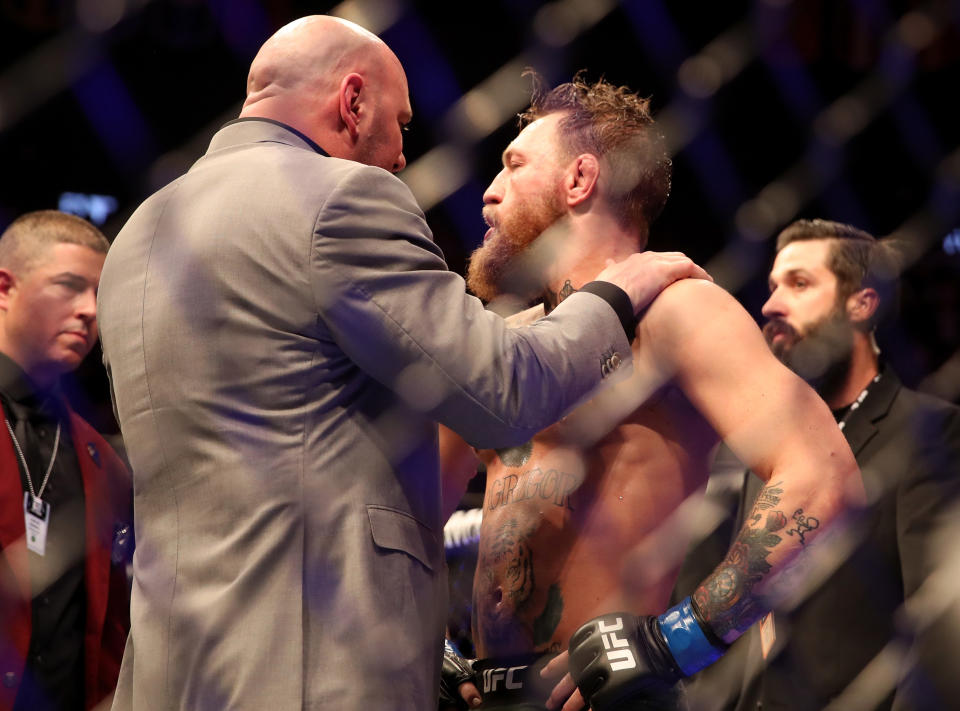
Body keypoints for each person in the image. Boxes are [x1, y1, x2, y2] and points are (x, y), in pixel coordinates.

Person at [95, 16, 709, 711]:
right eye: (400, 125)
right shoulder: (337, 198)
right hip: (310, 664)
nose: (397, 158)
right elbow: (501, 388)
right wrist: (615, 295)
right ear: (352, 101)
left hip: (168, 671)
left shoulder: (138, 238)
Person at [436, 76, 865, 711]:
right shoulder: (499, 347)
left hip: (610, 693)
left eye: (514, 165)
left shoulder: (675, 313)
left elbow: (824, 478)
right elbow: (402, 511)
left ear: (579, 180)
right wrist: (425, 640)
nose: (489, 195)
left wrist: (678, 641)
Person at [672, 219, 960, 710]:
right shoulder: (751, 448)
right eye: (772, 286)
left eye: (799, 284)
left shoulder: (928, 431)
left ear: (862, 304)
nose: (770, 305)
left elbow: (936, 629)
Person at [0, 210, 131, 711]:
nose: (89, 311)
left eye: (99, 295)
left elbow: (109, 623)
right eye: (69, 286)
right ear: (5, 288)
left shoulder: (100, 456)